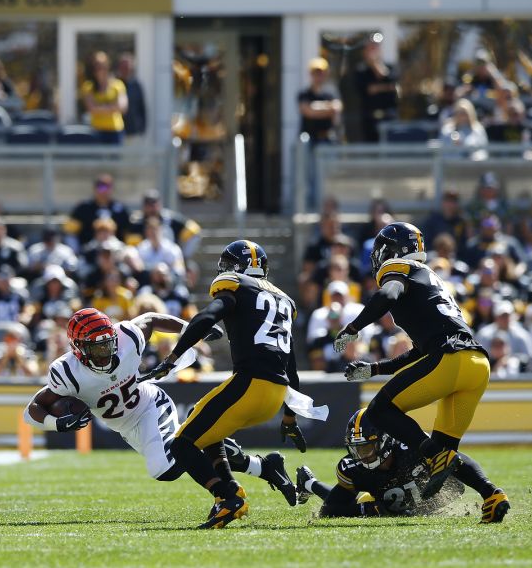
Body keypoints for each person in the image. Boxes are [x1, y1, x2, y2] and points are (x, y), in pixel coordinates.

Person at [333, 222, 509, 523]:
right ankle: (492, 495)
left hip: (451, 357)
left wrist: (354, 327)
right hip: (477, 364)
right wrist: (376, 368)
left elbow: (388, 295)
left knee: (379, 411)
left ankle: (432, 454)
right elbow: (419, 350)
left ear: (392, 250)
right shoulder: (429, 278)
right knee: (443, 451)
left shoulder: (399, 270)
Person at [143, 241, 325, 529]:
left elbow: (206, 317)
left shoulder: (237, 287)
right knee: (206, 426)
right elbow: (291, 366)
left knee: (181, 445)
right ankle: (232, 490)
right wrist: (290, 416)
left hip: (250, 384)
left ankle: (227, 497)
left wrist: (174, 356)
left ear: (237, 269)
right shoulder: (284, 301)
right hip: (275, 394)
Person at [25, 308, 294, 499]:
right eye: (96, 348)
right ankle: (263, 466)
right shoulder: (67, 371)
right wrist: (57, 423)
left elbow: (151, 320)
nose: (105, 352)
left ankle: (211, 448)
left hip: (151, 405)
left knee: (164, 468)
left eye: (107, 344)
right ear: (78, 348)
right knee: (174, 459)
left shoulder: (125, 338)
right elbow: (32, 410)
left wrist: (191, 329)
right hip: (127, 428)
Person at [294, 408, 486, 518]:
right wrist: (373, 509)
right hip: (385, 498)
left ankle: (309, 483)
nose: (362, 456)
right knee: (366, 502)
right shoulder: (354, 468)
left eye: (367, 448)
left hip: (412, 497)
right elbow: (330, 510)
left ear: (385, 441)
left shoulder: (413, 449)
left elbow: (456, 475)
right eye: (356, 449)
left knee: (384, 501)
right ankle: (309, 483)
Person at [64, 174, 132, 248]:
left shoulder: (120, 209)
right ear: (95, 188)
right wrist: (76, 252)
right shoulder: (83, 208)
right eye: (102, 187)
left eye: (108, 187)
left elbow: (129, 232)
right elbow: (70, 233)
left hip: (116, 252)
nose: (104, 191)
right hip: (88, 252)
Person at [353, 35, 398, 143]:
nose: (372, 51)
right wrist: (386, 87)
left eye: (375, 48)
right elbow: (369, 90)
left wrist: (376, 65)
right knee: (371, 151)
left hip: (389, 118)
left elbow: (392, 85)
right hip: (369, 120)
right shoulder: (361, 70)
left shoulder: (390, 67)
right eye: (370, 48)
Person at [80, 52, 127, 145]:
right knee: (97, 159)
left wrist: (99, 107)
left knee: (115, 159)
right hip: (96, 130)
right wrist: (112, 107)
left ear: (108, 66)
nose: (100, 69)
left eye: (102, 65)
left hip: (115, 130)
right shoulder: (88, 86)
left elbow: (122, 107)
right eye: (97, 66)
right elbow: (91, 109)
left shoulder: (118, 84)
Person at [297, 57, 341, 144]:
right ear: (311, 74)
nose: (319, 76)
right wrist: (327, 108)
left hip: (327, 138)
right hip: (308, 138)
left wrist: (314, 107)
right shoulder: (304, 93)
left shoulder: (331, 92)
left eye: (321, 73)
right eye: (316, 73)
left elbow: (336, 108)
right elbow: (307, 111)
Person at [116, 52, 146, 137]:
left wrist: (142, 128)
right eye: (123, 67)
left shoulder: (136, 85)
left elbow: (142, 108)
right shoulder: (114, 84)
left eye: (127, 67)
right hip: (117, 132)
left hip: (134, 131)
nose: (125, 69)